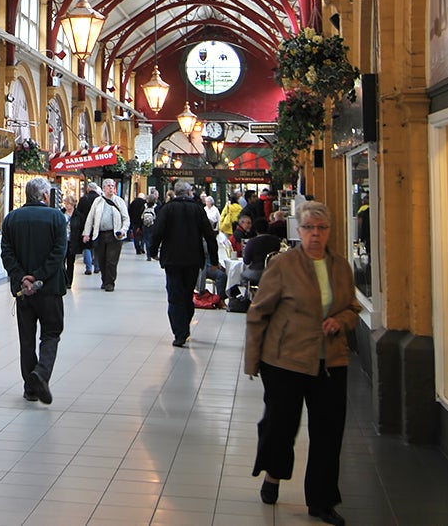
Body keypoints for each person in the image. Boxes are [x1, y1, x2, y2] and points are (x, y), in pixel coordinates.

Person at [245, 201, 361, 526]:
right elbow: (258, 312)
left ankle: (322, 501)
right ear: (298, 231)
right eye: (309, 228)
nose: (315, 235)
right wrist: (252, 360)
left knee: (328, 432)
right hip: (285, 361)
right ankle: (274, 475)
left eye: (321, 229)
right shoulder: (283, 265)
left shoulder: (340, 267)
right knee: (281, 427)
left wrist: (341, 320)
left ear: (329, 232)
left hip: (330, 361)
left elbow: (353, 307)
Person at [0, 176, 68, 405]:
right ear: (46, 195)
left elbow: (6, 253)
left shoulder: (12, 218)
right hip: (49, 289)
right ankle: (41, 373)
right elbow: (59, 253)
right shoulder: (57, 218)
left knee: (26, 338)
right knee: (51, 333)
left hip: (23, 292)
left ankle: (30, 388)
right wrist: (38, 276)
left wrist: (22, 278)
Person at [147, 182, 219, 347]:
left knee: (174, 295)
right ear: (188, 192)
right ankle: (184, 325)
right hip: (193, 259)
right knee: (187, 294)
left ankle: (180, 332)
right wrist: (213, 260)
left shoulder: (167, 209)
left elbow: (157, 232)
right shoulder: (198, 210)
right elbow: (209, 235)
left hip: (172, 259)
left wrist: (152, 251)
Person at [84, 179, 130, 290]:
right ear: (103, 188)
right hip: (100, 235)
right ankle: (104, 280)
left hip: (114, 235)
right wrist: (86, 233)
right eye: (108, 186)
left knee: (111, 260)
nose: (111, 188)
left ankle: (110, 283)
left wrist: (123, 230)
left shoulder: (119, 201)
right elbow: (90, 218)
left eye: (112, 186)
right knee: (102, 259)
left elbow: (126, 218)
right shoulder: (97, 201)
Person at [69, 180, 100, 279]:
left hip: (85, 226)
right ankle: (97, 266)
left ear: (88, 189)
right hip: (97, 226)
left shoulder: (84, 199)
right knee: (96, 246)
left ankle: (88, 267)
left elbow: (78, 213)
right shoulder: (99, 199)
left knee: (86, 246)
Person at [128, 191, 148, 255]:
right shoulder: (145, 203)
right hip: (142, 222)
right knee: (142, 236)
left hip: (134, 222)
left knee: (136, 236)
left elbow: (129, 212)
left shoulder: (133, 203)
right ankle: (142, 247)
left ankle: (137, 249)